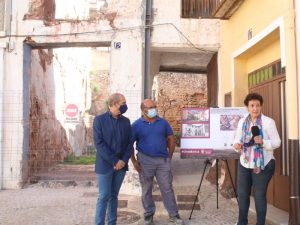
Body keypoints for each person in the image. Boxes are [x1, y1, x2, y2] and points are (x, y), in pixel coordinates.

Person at [131, 99, 184, 225]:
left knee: (167, 188)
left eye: (155, 106)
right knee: (146, 189)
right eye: (151, 107)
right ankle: (149, 214)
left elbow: (171, 139)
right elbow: (130, 144)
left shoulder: (163, 123)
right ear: (143, 110)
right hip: (145, 160)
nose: (154, 109)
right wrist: (134, 162)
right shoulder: (136, 125)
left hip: (162, 161)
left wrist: (169, 157)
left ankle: (173, 214)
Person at [233, 92, 281, 225]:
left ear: (261, 106)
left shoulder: (268, 122)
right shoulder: (242, 121)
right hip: (245, 162)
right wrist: (236, 145)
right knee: (242, 196)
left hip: (263, 164)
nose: (255, 108)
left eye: (258, 105)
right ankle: (242, 222)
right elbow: (237, 138)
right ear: (247, 107)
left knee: (259, 197)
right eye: (252, 105)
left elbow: (277, 142)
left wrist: (263, 142)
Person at [93, 93, 132, 225]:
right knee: (104, 196)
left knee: (114, 196)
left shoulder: (126, 122)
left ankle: (112, 223)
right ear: (113, 104)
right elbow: (99, 144)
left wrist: (123, 161)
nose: (125, 105)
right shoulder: (99, 120)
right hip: (105, 165)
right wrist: (115, 161)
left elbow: (129, 144)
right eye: (123, 102)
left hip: (121, 166)